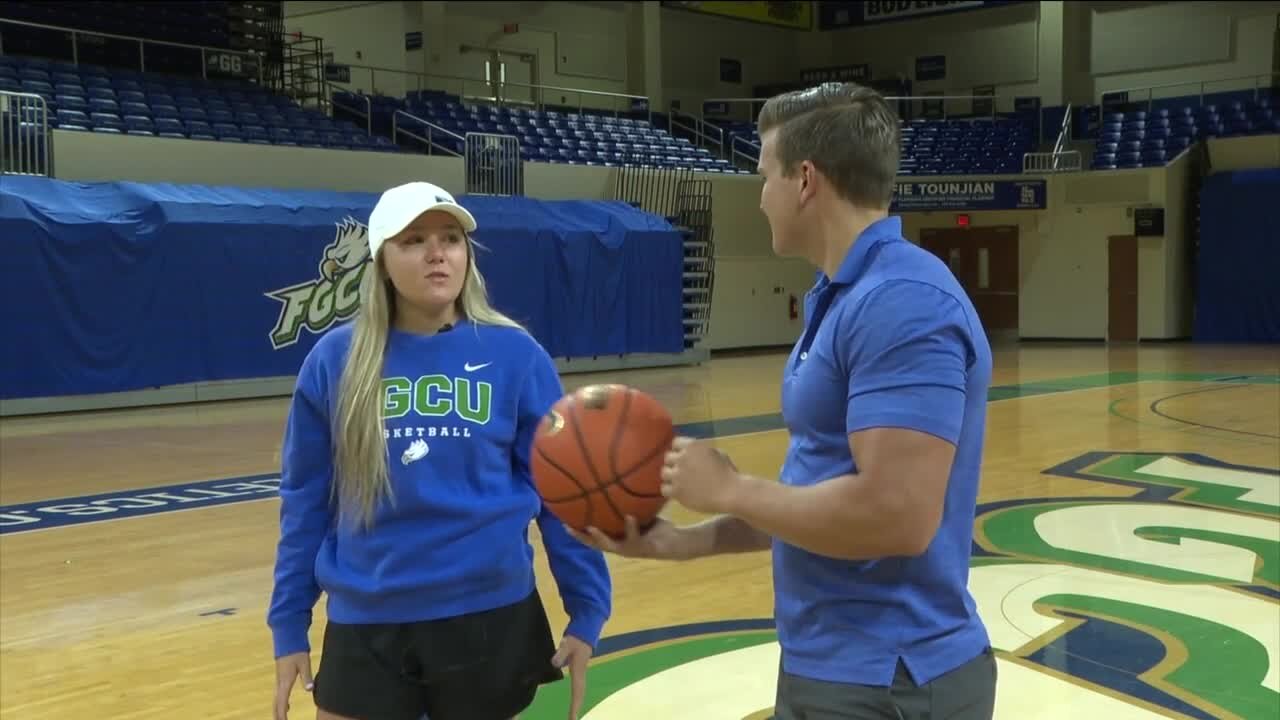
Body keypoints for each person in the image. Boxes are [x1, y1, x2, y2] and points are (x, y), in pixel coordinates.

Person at [570, 83, 998, 719]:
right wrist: (687, 542)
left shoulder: (901, 303)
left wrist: (732, 490)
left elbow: (896, 517)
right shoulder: (842, 294)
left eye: (764, 175)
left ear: (805, 181)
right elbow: (816, 492)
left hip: (890, 676)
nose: (761, 195)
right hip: (833, 663)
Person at [268, 181, 612, 720]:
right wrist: (289, 623)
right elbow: (306, 501)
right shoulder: (335, 360)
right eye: (414, 241)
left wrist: (586, 608)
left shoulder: (515, 354)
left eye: (451, 238)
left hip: (489, 616)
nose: (437, 253)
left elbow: (561, 492)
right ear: (382, 260)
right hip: (368, 619)